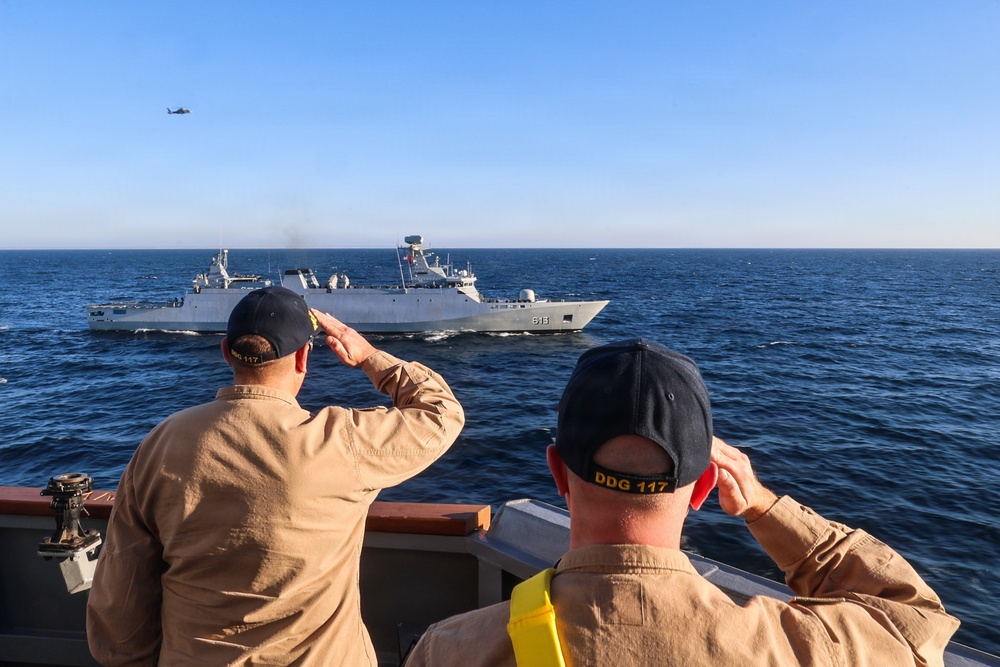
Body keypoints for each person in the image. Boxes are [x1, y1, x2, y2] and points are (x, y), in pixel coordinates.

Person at [406, 338, 958, 667]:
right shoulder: (799, 648)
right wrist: (764, 506)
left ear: (557, 473)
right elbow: (914, 621)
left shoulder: (451, 648)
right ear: (702, 489)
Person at [87, 286, 464, 666]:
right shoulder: (340, 442)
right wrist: (368, 356)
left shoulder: (160, 442)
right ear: (303, 357)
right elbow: (441, 414)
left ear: (225, 352)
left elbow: (121, 592)